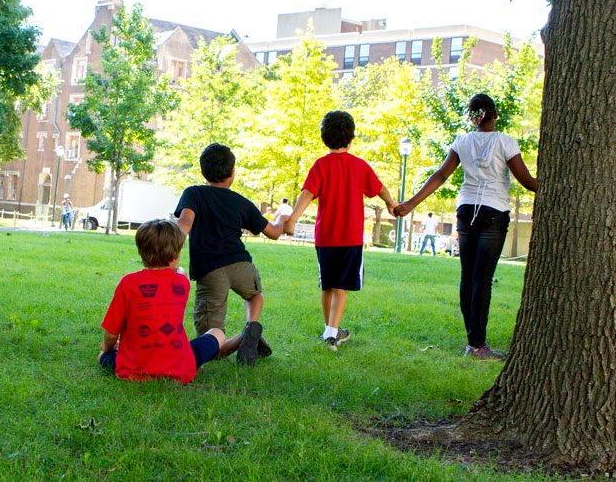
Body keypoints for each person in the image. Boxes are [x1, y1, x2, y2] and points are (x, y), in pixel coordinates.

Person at [395, 94, 537, 359]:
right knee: (482, 279)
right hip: (494, 212)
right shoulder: (505, 142)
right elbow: (527, 181)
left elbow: (441, 175)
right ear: (494, 115)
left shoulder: (462, 141)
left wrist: (411, 204)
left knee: (468, 275)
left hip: (466, 210)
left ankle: (472, 341)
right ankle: (476, 345)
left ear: (474, 117)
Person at [284, 110, 397, 350]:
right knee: (340, 287)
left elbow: (307, 193)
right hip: (350, 238)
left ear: (325, 136)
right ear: (351, 137)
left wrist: (293, 218)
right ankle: (332, 333)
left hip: (326, 238)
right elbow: (380, 189)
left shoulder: (321, 165)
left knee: (327, 285)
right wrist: (391, 204)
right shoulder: (359, 166)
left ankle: (330, 330)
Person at [175, 143, 288, 366]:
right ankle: (250, 327)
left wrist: (169, 253)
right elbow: (274, 232)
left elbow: (184, 223)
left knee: (210, 345)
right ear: (232, 172)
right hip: (241, 265)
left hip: (210, 271)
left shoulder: (194, 193)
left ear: (202, 171)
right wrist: (283, 220)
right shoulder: (241, 202)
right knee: (255, 295)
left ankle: (240, 341)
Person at [97, 219, 225, 384]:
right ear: (175, 256)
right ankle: (191, 364)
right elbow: (180, 272)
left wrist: (109, 349)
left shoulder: (128, 283)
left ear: (140, 251)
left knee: (103, 356)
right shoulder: (182, 283)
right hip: (180, 365)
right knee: (218, 333)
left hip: (136, 367)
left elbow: (111, 333)